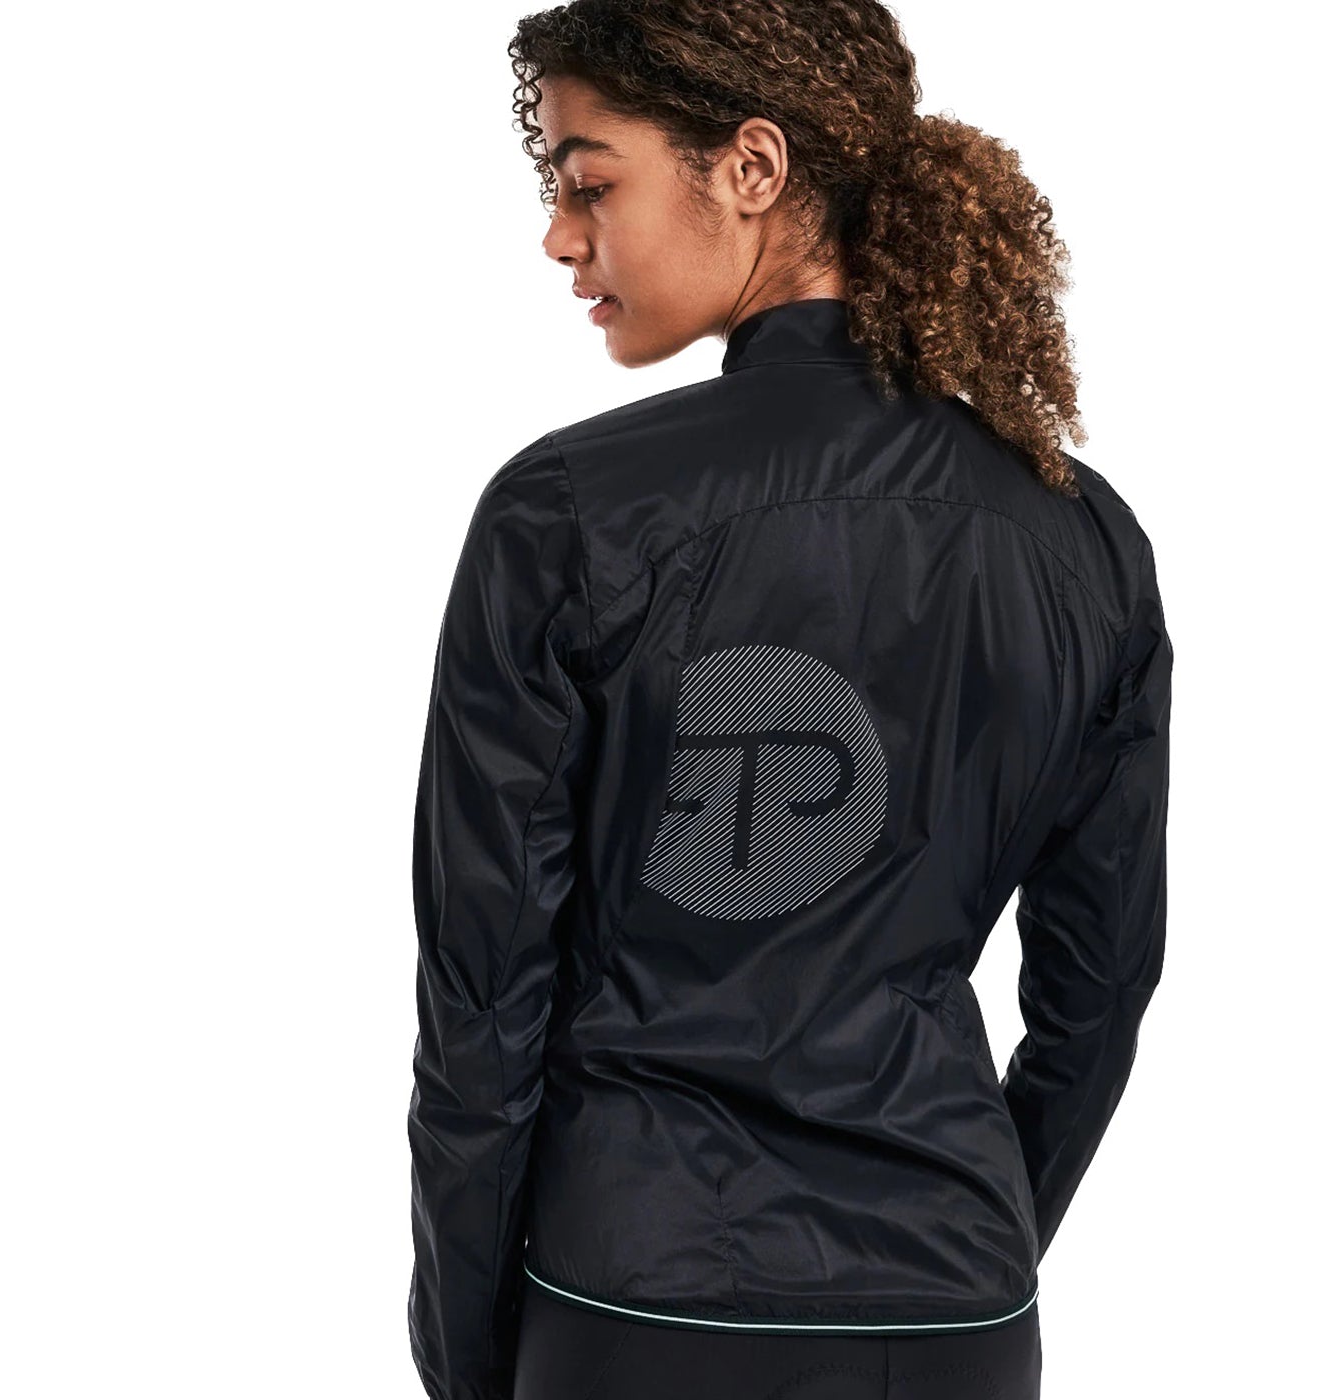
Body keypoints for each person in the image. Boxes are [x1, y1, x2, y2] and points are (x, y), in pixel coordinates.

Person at [407, 3, 1173, 1397]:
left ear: (752, 168)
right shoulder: (1085, 541)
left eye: (591, 184)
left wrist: (468, 1356)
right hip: (957, 1325)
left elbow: (484, 1003)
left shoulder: (568, 516)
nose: (561, 238)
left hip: (637, 1307)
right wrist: (972, 1239)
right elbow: (1101, 993)